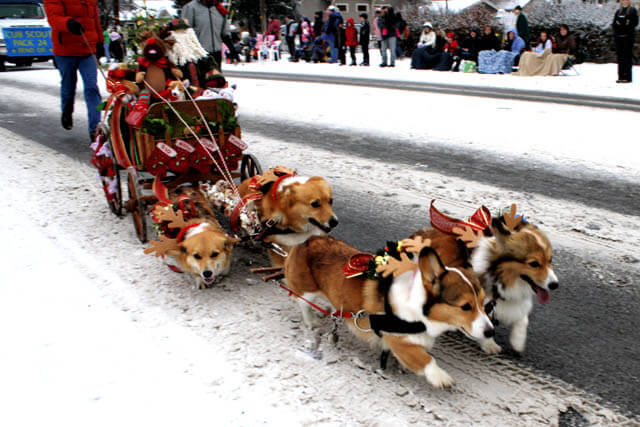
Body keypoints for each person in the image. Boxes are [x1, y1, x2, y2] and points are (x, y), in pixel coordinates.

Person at [43, 0, 103, 142]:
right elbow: (53, 18)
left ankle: (95, 129)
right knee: (68, 86)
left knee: (92, 87)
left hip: (87, 49)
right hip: (65, 50)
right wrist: (68, 23)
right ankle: (67, 110)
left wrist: (99, 41)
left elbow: (94, 19)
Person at [181, 0, 238, 68]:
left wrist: (233, 50)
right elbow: (184, 33)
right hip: (198, 55)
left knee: (216, 78)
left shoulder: (220, 9)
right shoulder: (190, 8)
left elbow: (225, 33)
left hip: (216, 54)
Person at [612, 0, 638, 83]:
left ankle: (627, 77)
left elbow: (634, 23)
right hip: (619, 38)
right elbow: (614, 23)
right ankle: (621, 76)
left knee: (627, 57)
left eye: (626, 0)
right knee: (620, 58)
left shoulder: (632, 11)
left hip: (628, 37)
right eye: (623, 0)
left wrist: (626, 26)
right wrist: (618, 28)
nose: (625, 2)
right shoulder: (618, 11)